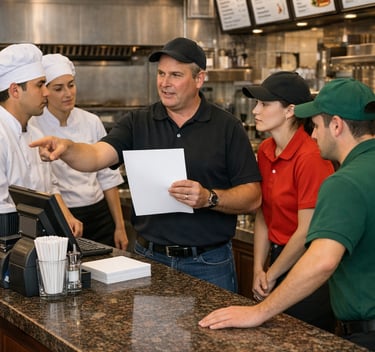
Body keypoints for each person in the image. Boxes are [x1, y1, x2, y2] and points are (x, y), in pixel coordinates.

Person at [30, 37, 262, 292]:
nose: (164, 83)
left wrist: (209, 198)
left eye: (175, 75)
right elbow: (96, 156)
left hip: (209, 263)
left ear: (199, 79)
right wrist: (68, 148)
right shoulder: (138, 122)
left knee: (216, 333)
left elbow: (252, 197)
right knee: (151, 333)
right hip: (150, 258)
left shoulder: (227, 127)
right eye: (161, 74)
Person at [199, 78, 375, 351]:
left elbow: (322, 262)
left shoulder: (343, 182)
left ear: (337, 125)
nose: (313, 135)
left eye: (316, 126)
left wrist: (259, 311)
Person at [242, 71, 335, 332]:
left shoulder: (311, 155)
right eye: (256, 104)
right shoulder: (265, 150)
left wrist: (271, 274)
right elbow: (263, 214)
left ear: (290, 110)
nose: (256, 111)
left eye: (264, 104)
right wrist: (258, 269)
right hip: (276, 258)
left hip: (307, 262)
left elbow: (306, 229)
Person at [28, 54, 128, 249]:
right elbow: (47, 183)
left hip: (100, 214)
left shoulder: (91, 121)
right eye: (58, 88)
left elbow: (107, 177)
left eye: (71, 85)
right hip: (63, 215)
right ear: (46, 91)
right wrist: (66, 215)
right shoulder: (35, 127)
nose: (68, 93)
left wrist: (120, 226)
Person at [0, 43, 82, 237]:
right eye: (40, 85)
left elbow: (49, 185)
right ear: (15, 91)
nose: (46, 92)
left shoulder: (35, 133)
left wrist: (64, 215)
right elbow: (2, 209)